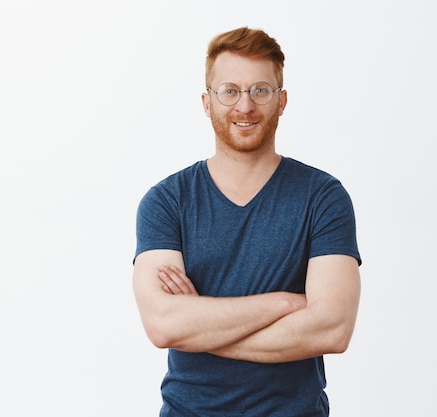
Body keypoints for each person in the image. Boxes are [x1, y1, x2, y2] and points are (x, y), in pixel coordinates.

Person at [132, 26, 362, 417]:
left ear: (282, 100)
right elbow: (164, 325)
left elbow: (332, 329)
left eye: (260, 90)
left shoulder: (323, 197)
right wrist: (284, 303)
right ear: (207, 102)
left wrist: (201, 325)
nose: (244, 106)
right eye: (229, 91)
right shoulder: (166, 202)